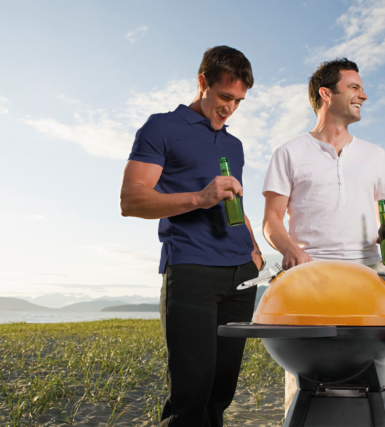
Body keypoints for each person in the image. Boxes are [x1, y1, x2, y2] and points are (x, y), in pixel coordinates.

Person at [120, 45, 266, 427]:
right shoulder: (161, 127)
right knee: (190, 398)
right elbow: (132, 200)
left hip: (241, 276)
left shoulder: (234, 145)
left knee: (220, 397)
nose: (230, 108)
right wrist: (200, 198)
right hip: (192, 270)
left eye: (238, 101)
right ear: (202, 82)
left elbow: (236, 204)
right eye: (223, 97)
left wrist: (255, 249)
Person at [261, 58, 385, 414]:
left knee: (370, 377)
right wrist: (290, 250)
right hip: (309, 281)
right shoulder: (289, 152)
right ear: (326, 93)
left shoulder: (375, 155)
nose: (364, 95)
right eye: (355, 87)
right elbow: (270, 221)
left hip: (368, 280)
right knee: (306, 380)